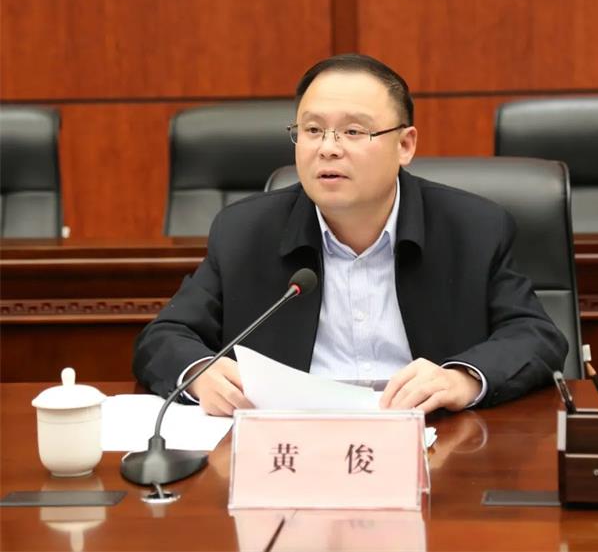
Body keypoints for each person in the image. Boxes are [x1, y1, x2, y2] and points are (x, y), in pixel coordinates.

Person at [133, 54, 568, 416]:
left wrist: (461, 378)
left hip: (434, 448)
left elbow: (536, 335)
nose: (328, 148)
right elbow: (163, 337)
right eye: (312, 130)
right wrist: (199, 372)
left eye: (354, 131)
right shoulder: (245, 232)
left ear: (405, 145)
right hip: (293, 451)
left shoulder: (473, 227)